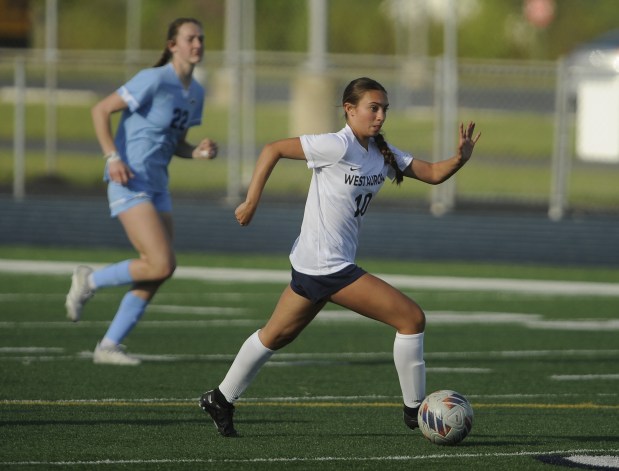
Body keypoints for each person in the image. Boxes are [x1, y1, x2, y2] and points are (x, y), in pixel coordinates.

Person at [198, 77, 480, 436]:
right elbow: (272, 149)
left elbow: (434, 174)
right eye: (372, 108)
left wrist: (459, 158)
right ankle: (415, 412)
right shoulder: (334, 145)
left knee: (276, 335)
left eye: (384, 109)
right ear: (350, 109)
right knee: (411, 319)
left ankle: (220, 399)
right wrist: (251, 200)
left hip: (314, 263)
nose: (379, 116)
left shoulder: (381, 152)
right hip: (326, 266)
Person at [64, 17, 218, 366]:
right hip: (129, 179)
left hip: (158, 185)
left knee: (161, 268)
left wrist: (197, 152)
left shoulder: (195, 92)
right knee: (161, 262)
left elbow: (176, 143)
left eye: (201, 39)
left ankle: (109, 346)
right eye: (190, 38)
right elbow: (100, 109)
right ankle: (90, 280)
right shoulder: (154, 79)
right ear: (172, 45)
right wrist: (112, 156)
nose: (197, 44)